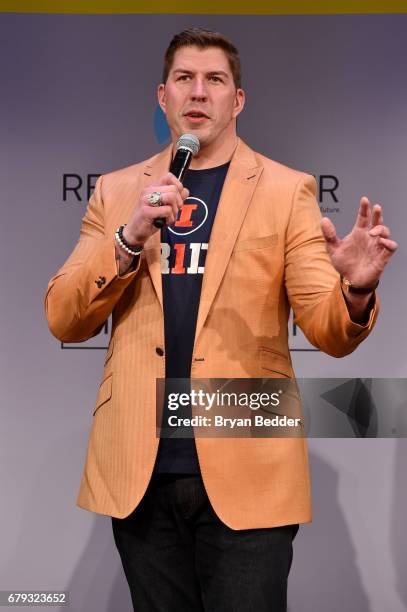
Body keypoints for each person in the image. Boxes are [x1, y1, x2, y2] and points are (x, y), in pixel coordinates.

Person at [45, 28, 397, 612]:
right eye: (185, 79)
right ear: (164, 97)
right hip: (141, 466)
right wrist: (129, 238)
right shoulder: (116, 191)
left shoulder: (287, 192)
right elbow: (64, 319)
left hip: (249, 460)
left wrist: (355, 290)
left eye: (215, 80)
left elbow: (328, 332)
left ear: (238, 100)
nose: (198, 93)